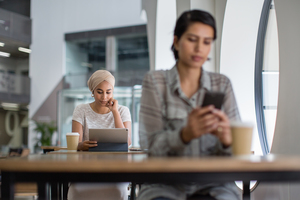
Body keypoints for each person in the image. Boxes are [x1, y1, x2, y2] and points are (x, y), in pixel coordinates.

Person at [138, 10, 242, 200]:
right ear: (177, 42)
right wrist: (184, 135)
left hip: (214, 184)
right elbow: (150, 147)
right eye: (192, 39)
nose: (199, 49)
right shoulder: (155, 81)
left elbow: (238, 153)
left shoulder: (222, 84)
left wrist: (228, 140)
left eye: (206, 42)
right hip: (164, 184)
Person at [68, 70, 132, 200]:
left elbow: (127, 141)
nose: (104, 97)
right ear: (92, 91)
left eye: (108, 92)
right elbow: (76, 144)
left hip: (116, 169)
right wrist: (81, 145)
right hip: (87, 168)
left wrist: (114, 112)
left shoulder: (122, 110)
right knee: (75, 190)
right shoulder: (81, 110)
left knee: (119, 190)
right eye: (99, 92)